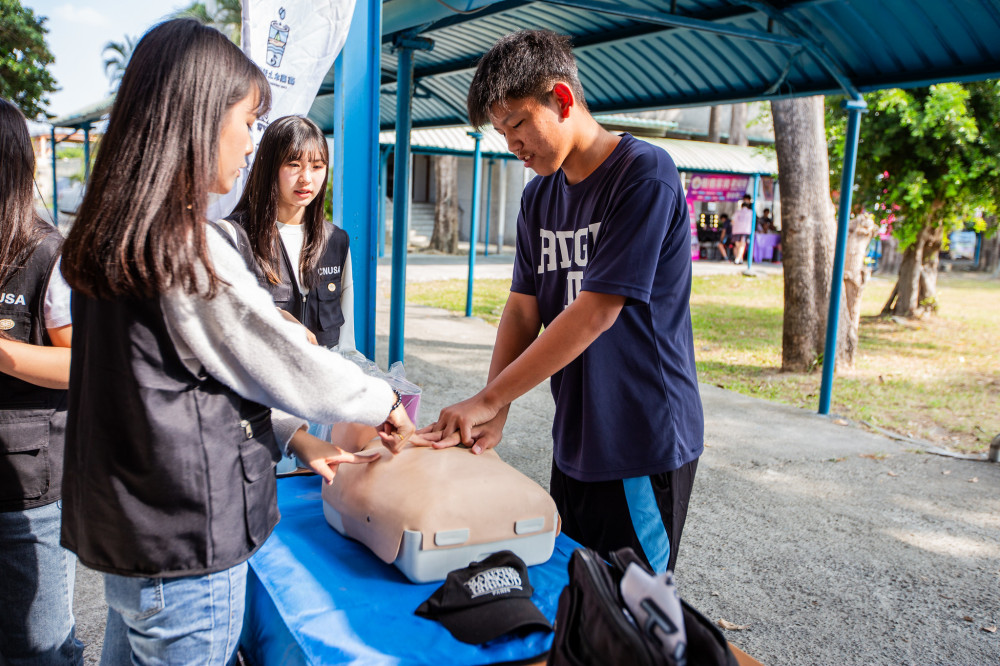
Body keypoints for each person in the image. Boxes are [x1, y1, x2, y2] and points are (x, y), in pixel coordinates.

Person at [58, 20, 415, 665]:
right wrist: (382, 401)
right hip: (189, 542)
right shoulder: (188, 248)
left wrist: (296, 435)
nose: (251, 144)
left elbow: (187, 383)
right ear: (199, 118)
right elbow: (280, 358)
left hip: (135, 534)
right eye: (249, 122)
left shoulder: (112, 236)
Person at [419, 30, 703, 574]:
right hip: (576, 436)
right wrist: (496, 409)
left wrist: (486, 399)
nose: (513, 144)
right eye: (502, 133)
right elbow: (522, 310)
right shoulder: (538, 197)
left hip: (640, 441)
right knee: (576, 591)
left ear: (562, 99)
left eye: (518, 124)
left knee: (634, 605)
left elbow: (596, 312)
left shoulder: (644, 174)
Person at [0, 98, 84, 665]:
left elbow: (84, 364)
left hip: (26, 489)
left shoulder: (48, 250)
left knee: (40, 648)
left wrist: (4, 354)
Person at [227, 115, 354, 353]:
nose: (306, 178)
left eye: (317, 166)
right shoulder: (234, 236)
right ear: (269, 166)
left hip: (323, 374)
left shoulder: (336, 241)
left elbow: (346, 342)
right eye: (294, 165)